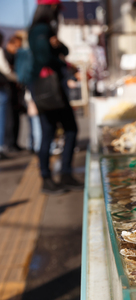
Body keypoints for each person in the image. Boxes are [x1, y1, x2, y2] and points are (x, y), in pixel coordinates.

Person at [28, 0, 83, 194]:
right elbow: (44, 58)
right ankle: (52, 177)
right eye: (56, 8)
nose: (58, 13)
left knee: (54, 132)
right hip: (49, 90)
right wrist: (58, 55)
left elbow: (64, 51)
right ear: (50, 8)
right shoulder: (41, 29)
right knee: (64, 130)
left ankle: (57, 176)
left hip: (47, 89)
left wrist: (58, 47)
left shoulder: (40, 29)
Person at [4, 35, 25, 152]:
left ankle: (15, 143)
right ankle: (9, 143)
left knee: (16, 118)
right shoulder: (5, 55)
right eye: (16, 46)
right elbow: (8, 71)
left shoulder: (16, 56)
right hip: (9, 90)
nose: (18, 49)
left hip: (16, 92)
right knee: (9, 119)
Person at [0, 32, 18, 159]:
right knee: (2, 119)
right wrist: (18, 78)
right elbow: (5, 70)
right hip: (1, 89)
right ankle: (1, 147)